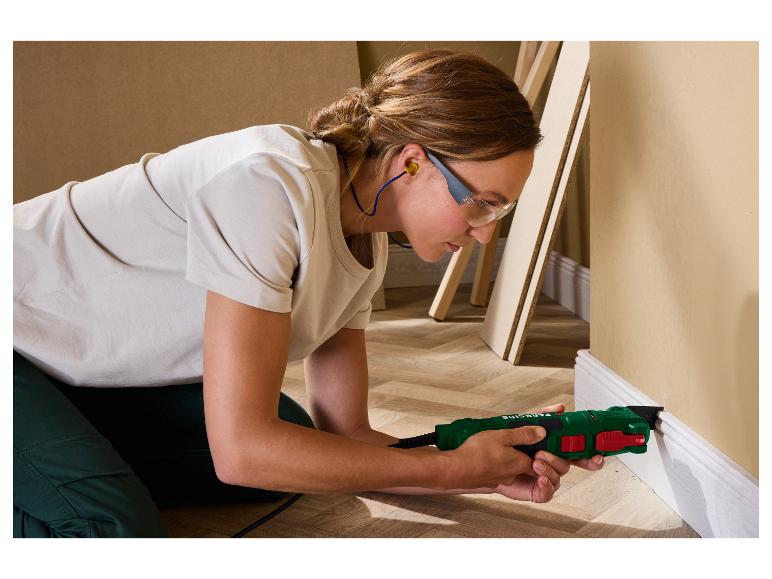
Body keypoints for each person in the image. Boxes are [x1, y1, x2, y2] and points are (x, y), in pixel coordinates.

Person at [13, 49, 604, 538]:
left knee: (294, 444)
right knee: (108, 529)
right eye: (482, 201)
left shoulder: (364, 245)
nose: (486, 230)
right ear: (413, 163)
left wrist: (478, 460)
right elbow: (243, 450)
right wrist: (448, 471)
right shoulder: (265, 185)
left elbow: (347, 436)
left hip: (59, 367)